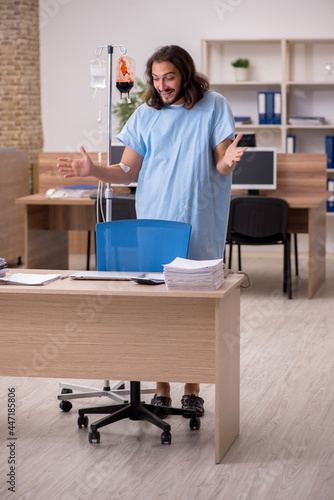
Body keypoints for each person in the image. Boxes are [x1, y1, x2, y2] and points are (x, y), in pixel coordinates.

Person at [57, 44, 246, 419]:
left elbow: (222, 165)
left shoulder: (214, 105)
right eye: (156, 79)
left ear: (185, 74)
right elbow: (128, 171)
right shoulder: (146, 114)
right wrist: (93, 172)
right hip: (155, 222)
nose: (162, 86)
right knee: (158, 309)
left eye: (169, 77)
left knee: (193, 310)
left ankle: (192, 389)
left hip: (199, 221)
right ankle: (161, 389)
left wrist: (229, 160)